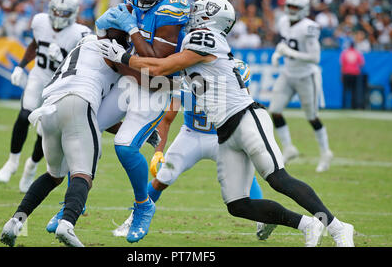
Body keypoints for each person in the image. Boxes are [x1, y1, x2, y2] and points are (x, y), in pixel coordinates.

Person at [96, 0, 355, 247]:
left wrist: (125, 55)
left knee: (278, 178)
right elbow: (168, 75)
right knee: (238, 205)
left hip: (246, 117)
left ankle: (338, 227)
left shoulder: (205, 37)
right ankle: (308, 224)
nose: (192, 11)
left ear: (211, 17)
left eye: (200, 8)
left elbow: (162, 67)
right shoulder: (193, 42)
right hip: (224, 132)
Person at [112, 59, 277, 241]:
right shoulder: (186, 81)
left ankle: (262, 219)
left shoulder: (232, 80)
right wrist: (159, 151)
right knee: (162, 179)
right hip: (191, 136)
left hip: (223, 137)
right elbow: (167, 120)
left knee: (246, 177)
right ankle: (134, 218)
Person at [91, 0, 190, 243]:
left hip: (157, 85)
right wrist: (105, 31)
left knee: (123, 147)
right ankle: (75, 203)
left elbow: (157, 63)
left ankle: (142, 206)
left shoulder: (172, 10)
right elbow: (117, 44)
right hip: (131, 78)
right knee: (85, 127)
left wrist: (131, 31)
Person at [0, 35, 120, 247]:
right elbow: (139, 74)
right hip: (77, 103)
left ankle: (15, 221)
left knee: (54, 175)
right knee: (83, 174)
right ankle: (66, 224)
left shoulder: (79, 49)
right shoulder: (111, 49)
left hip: (48, 109)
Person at [0, 0, 91, 192]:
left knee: (45, 133)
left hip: (59, 84)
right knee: (24, 115)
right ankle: (12, 162)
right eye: (56, 11)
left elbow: (83, 62)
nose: (59, 16)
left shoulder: (80, 33)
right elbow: (34, 44)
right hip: (38, 76)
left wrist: (61, 60)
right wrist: (21, 66)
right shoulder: (40, 22)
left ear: (73, 14)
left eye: (64, 13)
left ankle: (31, 166)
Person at [269, 0, 333, 173]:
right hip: (288, 73)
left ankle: (325, 152)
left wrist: (289, 53)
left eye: (295, 7)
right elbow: (284, 42)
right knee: (275, 110)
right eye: (289, 6)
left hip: (307, 76)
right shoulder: (283, 21)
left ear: (304, 9)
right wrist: (277, 53)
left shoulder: (309, 27)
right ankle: (289, 148)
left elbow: (315, 57)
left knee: (311, 116)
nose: (291, 10)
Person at [340, 40, 365, 109]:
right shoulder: (357, 53)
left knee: (345, 90)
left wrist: (341, 75)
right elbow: (362, 63)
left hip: (346, 73)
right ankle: (353, 106)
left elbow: (342, 65)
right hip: (355, 73)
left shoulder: (344, 53)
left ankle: (344, 106)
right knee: (354, 91)